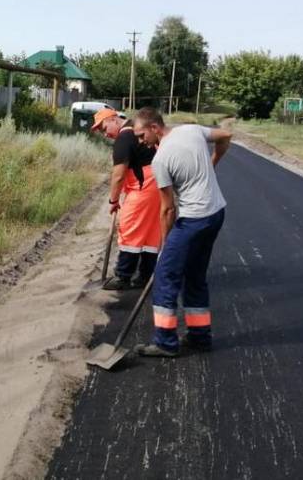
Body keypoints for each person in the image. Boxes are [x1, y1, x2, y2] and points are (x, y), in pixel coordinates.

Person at [130, 107, 232, 357]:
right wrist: (213, 161)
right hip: (216, 213)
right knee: (195, 275)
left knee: (165, 275)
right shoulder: (191, 130)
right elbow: (226, 135)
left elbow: (167, 209)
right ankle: (199, 337)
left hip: (194, 219)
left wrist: (165, 245)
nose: (141, 141)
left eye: (142, 135)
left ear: (155, 128)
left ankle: (165, 343)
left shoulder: (161, 160)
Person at [91, 108, 161, 290]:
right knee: (150, 233)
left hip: (142, 189)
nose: (103, 133)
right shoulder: (136, 131)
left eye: (103, 127)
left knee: (130, 229)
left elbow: (119, 175)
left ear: (114, 119)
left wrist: (113, 200)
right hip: (158, 187)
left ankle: (123, 276)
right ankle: (145, 276)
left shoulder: (124, 137)